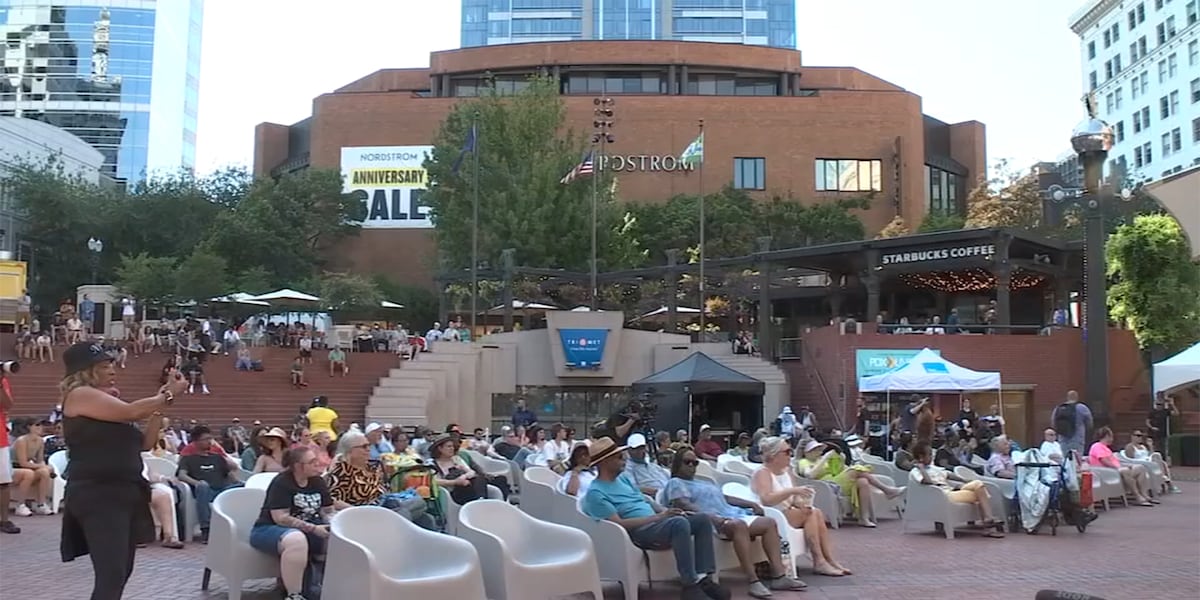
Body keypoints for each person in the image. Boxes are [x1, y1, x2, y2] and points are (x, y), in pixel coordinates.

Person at [58, 341, 189, 599]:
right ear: (86, 370)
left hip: (125, 491)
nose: (112, 370)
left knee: (121, 571)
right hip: (99, 493)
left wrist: (159, 405)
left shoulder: (106, 405)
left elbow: (145, 443)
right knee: (112, 573)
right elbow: (131, 411)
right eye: (105, 366)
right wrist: (169, 394)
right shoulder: (79, 394)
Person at [580, 437, 731, 600]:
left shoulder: (623, 479)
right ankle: (690, 586)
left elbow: (645, 500)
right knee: (678, 524)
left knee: (701, 520)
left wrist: (667, 511)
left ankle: (703, 579)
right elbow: (618, 524)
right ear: (604, 462)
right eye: (618, 456)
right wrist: (659, 517)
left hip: (657, 523)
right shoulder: (596, 493)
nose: (624, 458)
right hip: (639, 532)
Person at [665, 448, 807, 598]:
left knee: (769, 523)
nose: (692, 466)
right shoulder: (676, 482)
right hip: (711, 522)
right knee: (739, 526)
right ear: (677, 464)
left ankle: (779, 576)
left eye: (695, 462)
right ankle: (753, 581)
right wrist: (711, 517)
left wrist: (750, 504)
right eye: (688, 462)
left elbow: (724, 498)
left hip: (732, 514)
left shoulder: (701, 482)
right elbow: (683, 504)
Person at [750, 436, 848, 576]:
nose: (791, 455)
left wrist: (801, 503)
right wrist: (793, 491)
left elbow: (794, 499)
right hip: (770, 515)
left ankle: (828, 560)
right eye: (787, 452)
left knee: (815, 512)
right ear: (774, 455)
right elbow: (766, 499)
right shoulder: (762, 473)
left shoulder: (787, 471)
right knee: (812, 514)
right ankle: (819, 561)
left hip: (786, 512)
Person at [250, 446, 334, 600]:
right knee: (297, 539)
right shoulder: (282, 482)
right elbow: (280, 518)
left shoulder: (318, 481)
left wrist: (334, 526)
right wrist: (314, 528)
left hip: (309, 529)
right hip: (270, 529)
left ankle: (327, 588)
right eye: (312, 462)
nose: (318, 464)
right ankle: (294, 595)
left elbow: (328, 510)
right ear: (298, 466)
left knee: (339, 538)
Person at [795, 439, 903, 528]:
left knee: (863, 481)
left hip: (835, 482)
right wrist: (825, 458)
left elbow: (838, 471)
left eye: (819, 449)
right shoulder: (804, 462)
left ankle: (863, 518)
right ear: (806, 452)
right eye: (814, 450)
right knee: (856, 470)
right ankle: (887, 490)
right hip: (826, 485)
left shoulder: (822, 460)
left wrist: (841, 460)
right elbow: (810, 475)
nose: (818, 452)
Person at [909, 442, 1004, 538]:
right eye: (929, 454)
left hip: (952, 491)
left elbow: (949, 475)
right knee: (979, 494)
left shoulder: (934, 468)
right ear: (921, 456)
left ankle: (988, 520)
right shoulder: (916, 471)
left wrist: (965, 480)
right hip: (944, 495)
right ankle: (989, 524)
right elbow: (928, 481)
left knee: (978, 484)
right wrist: (921, 469)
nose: (932, 456)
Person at [177, 425, 243, 542]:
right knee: (203, 487)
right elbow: (181, 475)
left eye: (211, 439)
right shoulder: (188, 459)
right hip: (205, 491)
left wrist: (238, 482)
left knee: (242, 486)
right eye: (206, 439)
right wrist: (197, 483)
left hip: (222, 490)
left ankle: (241, 527)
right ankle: (206, 529)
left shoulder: (217, 457)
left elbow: (230, 473)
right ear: (196, 442)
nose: (210, 442)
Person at [1087, 426, 1154, 506]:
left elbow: (1115, 461)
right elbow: (1104, 461)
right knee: (1125, 471)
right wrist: (1119, 467)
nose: (1112, 439)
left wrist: (1125, 465)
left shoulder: (1106, 448)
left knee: (1140, 468)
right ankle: (1138, 496)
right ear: (1107, 436)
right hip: (1106, 472)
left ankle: (1144, 494)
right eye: (1111, 437)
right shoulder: (1097, 446)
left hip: (1115, 470)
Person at [0, 368, 21, 534]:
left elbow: (8, 405)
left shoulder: (3, 382)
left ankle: (4, 520)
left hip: (0, 439)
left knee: (3, 481)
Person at [1052, 390, 1093, 459]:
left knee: (1066, 460)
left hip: (1063, 439)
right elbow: (1089, 422)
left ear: (1067, 397)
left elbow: (1053, 422)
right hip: (1078, 438)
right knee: (1077, 460)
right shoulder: (1082, 408)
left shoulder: (1058, 408)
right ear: (1077, 397)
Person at [1146, 395, 1179, 462]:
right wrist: (1152, 427)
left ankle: (1163, 461)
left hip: (1163, 433)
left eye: (1160, 405)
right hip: (1153, 433)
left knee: (1163, 448)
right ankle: (1153, 460)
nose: (1159, 406)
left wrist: (1172, 405)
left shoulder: (1165, 411)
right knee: (1154, 447)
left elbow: (1176, 413)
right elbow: (1147, 422)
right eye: (1158, 404)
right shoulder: (1152, 412)